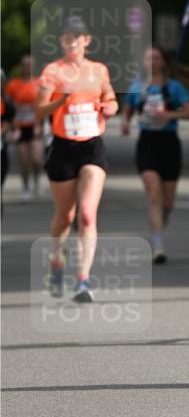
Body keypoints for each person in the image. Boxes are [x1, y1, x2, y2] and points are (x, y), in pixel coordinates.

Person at [35, 16, 119, 302]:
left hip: (92, 146)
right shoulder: (52, 71)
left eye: (77, 37)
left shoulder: (98, 70)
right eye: (67, 37)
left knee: (86, 214)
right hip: (63, 147)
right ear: (61, 41)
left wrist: (110, 107)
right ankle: (56, 262)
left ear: (86, 40)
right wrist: (61, 99)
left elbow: (111, 98)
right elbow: (39, 111)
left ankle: (83, 279)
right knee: (65, 216)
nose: (72, 41)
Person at [122, 46, 189, 263]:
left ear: (163, 62)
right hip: (147, 143)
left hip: (169, 143)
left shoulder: (174, 87)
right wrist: (125, 123)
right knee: (154, 193)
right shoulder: (137, 87)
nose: (152, 62)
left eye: (156, 58)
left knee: (167, 203)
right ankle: (158, 245)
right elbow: (128, 109)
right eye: (148, 58)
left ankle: (159, 226)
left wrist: (168, 114)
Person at [5, 55, 43, 200]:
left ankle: (37, 181)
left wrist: (40, 125)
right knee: (24, 161)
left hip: (35, 126)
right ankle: (25, 187)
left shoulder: (39, 84)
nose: (28, 68)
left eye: (31, 65)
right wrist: (13, 127)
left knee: (37, 159)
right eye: (26, 65)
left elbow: (43, 106)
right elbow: (9, 108)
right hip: (20, 127)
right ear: (21, 67)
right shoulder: (13, 85)